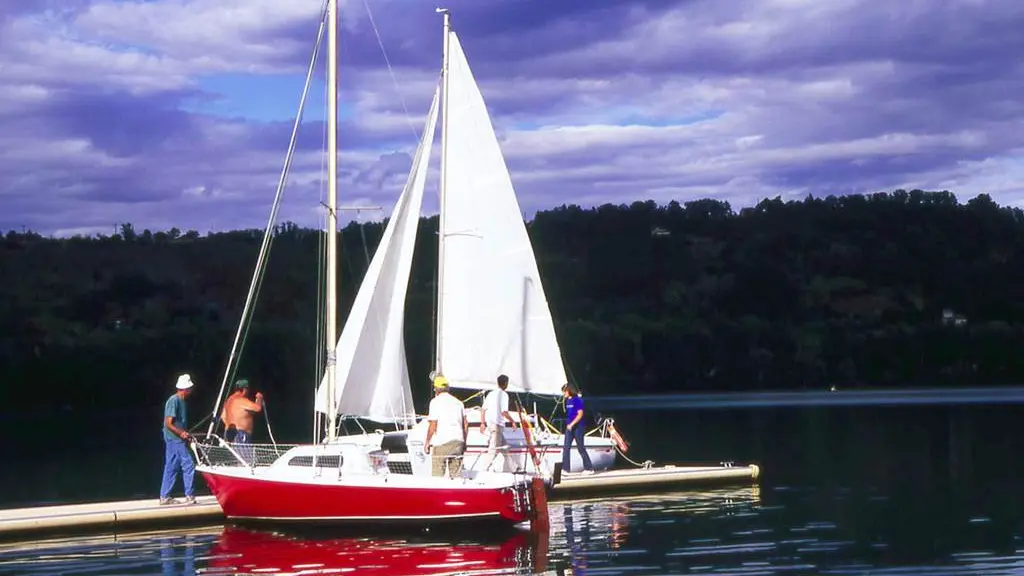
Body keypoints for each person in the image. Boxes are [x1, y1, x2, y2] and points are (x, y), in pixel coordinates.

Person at [160, 373, 197, 505]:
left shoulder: (182, 401)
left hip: (176, 439)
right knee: (189, 465)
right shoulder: (173, 400)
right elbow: (168, 423)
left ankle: (164, 496)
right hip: (174, 439)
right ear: (186, 389)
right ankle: (189, 496)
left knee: (171, 466)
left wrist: (184, 434)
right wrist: (181, 434)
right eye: (190, 388)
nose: (191, 390)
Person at [423, 375, 467, 478]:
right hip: (458, 441)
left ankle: (436, 493)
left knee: (437, 475)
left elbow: (433, 425)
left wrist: (427, 442)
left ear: (436, 390)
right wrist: (464, 441)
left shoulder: (435, 402)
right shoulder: (459, 403)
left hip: (442, 442)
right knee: (456, 477)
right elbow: (465, 424)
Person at [479, 374, 517, 471]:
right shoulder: (504, 395)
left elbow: (483, 410)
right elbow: (503, 412)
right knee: (493, 449)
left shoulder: (490, 394)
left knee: (505, 448)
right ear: (505, 384)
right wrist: (512, 421)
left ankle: (513, 468)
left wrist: (482, 423)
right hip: (497, 425)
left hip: (490, 424)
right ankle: (483, 469)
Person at [561, 383, 594, 475]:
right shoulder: (567, 401)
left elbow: (580, 414)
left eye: (564, 392)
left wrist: (572, 424)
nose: (563, 394)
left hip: (578, 427)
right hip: (569, 427)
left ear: (568, 391)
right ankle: (565, 469)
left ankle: (589, 468)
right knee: (566, 447)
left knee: (580, 448)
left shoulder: (577, 400)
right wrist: (569, 425)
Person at [220, 378, 264, 444]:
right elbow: (257, 408)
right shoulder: (241, 400)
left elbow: (223, 416)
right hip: (240, 434)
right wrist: (259, 398)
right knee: (241, 454)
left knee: (231, 454)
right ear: (245, 390)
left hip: (227, 433)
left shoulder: (229, 401)